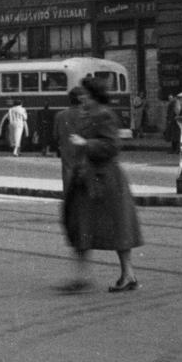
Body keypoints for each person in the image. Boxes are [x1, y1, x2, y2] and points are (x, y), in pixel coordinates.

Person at [62, 75, 142, 292]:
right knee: (82, 226)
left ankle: (126, 275)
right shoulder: (89, 114)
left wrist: (86, 143)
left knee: (116, 227)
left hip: (104, 178)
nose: (82, 100)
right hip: (89, 177)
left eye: (86, 96)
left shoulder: (104, 115)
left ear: (95, 96)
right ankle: (87, 276)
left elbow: (112, 146)